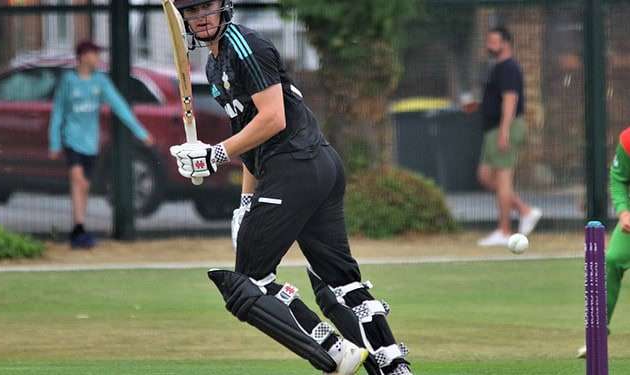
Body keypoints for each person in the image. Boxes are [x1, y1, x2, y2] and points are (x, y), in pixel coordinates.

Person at [168, 1, 412, 374]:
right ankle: (394, 369)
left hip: (295, 167)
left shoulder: (245, 45)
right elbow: (250, 142)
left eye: (208, 6)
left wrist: (213, 155)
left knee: (247, 281)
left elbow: (273, 118)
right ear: (182, 18)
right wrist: (245, 204)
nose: (201, 16)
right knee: (340, 284)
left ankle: (332, 348)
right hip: (314, 166)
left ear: (224, 7)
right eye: (192, 10)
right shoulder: (215, 65)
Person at [48, 40, 152, 249]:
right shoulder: (68, 81)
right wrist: (55, 142)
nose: (97, 58)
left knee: (83, 186)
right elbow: (58, 112)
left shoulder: (100, 82)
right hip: (72, 141)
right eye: (94, 54)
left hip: (90, 144)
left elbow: (119, 106)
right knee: (79, 181)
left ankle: (79, 228)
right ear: (84, 56)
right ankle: (78, 227)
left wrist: (140, 132)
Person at [477, 26, 542, 247]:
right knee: (485, 176)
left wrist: (504, 131)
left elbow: (510, 100)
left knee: (504, 179)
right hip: (493, 129)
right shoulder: (497, 68)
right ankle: (525, 211)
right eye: (489, 41)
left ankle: (504, 230)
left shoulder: (509, 67)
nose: (490, 45)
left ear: (506, 43)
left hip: (505, 129)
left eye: (494, 41)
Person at [577, 126, 630, 358]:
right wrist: (623, 211)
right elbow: (618, 179)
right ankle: (597, 337)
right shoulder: (628, 140)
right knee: (612, 260)